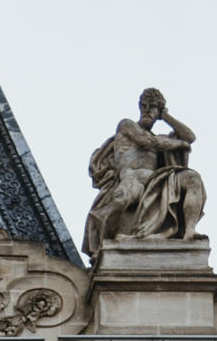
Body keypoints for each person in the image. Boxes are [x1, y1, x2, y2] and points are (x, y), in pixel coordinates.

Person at [83, 90, 207, 258]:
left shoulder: (163, 138)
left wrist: (167, 117)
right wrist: (180, 144)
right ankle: (104, 246)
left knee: (193, 178)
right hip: (131, 176)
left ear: (159, 111)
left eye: (153, 107)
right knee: (121, 198)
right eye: (144, 106)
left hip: (155, 180)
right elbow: (148, 142)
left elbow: (190, 136)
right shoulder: (127, 125)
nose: (147, 110)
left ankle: (190, 231)